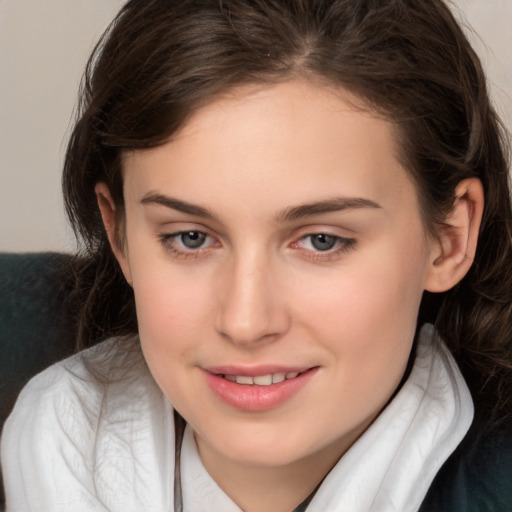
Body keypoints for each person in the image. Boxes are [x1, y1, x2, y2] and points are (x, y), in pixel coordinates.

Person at [2, 0, 512, 510]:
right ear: (120, 235)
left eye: (322, 241)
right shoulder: (42, 421)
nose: (245, 322)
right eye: (190, 238)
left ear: (448, 238)